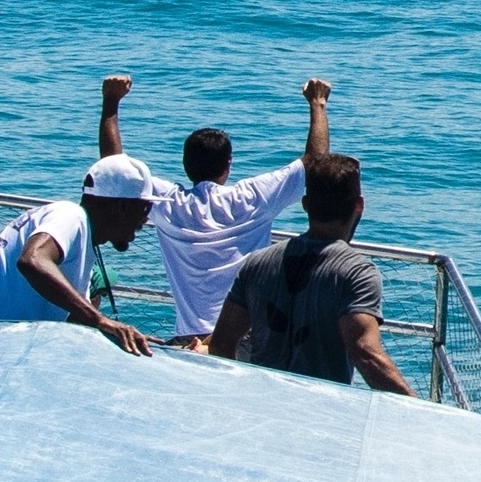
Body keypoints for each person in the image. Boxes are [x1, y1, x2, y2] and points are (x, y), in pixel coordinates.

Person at [99, 73, 331, 349]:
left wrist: (111, 102)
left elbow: (114, 168)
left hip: (190, 339)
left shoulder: (171, 204)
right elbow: (315, 163)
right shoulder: (251, 198)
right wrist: (317, 104)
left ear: (186, 166)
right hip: (247, 337)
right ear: (228, 165)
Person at [207, 153, 414, 394]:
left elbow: (221, 343)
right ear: (359, 205)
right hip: (321, 413)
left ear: (305, 204)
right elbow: (365, 352)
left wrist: (238, 392)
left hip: (261, 406)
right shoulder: (357, 272)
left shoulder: (257, 263)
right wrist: (417, 407)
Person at [0, 153, 162, 356]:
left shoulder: (82, 245)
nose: (147, 217)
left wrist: (124, 337)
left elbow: (70, 321)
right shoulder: (70, 216)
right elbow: (32, 260)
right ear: (121, 206)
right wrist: (101, 319)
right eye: (145, 207)